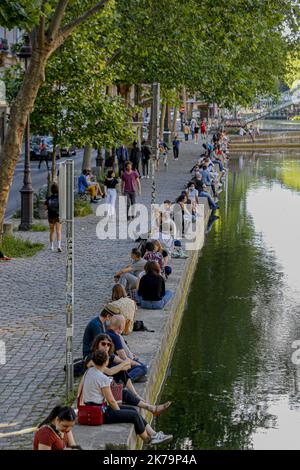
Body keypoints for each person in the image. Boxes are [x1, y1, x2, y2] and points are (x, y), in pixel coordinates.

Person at [79, 350, 173, 445]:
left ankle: (153, 434)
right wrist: (119, 412)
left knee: (133, 410)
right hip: (101, 413)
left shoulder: (89, 371)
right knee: (134, 415)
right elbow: (111, 401)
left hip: (95, 408)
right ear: (106, 362)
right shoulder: (102, 378)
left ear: (94, 361)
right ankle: (148, 439)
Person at [88, 335, 172, 417]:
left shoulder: (109, 356)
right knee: (124, 392)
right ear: (97, 344)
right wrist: (123, 364)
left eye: (108, 344)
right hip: (97, 391)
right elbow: (109, 372)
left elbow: (128, 366)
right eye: (103, 344)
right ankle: (151, 408)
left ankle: (146, 403)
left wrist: (123, 364)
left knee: (122, 375)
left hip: (106, 386)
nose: (106, 346)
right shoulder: (93, 359)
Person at [107, 315, 148, 382]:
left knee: (139, 365)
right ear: (120, 326)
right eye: (124, 323)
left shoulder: (106, 333)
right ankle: (125, 380)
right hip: (114, 365)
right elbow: (123, 358)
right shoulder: (115, 337)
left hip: (109, 364)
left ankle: (135, 377)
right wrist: (136, 363)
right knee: (143, 368)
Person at [45, 183, 62, 252]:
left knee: (52, 231)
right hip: (58, 216)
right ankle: (59, 246)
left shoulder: (48, 198)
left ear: (51, 190)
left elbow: (45, 207)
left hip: (51, 216)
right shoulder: (60, 198)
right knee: (58, 231)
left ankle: (51, 246)